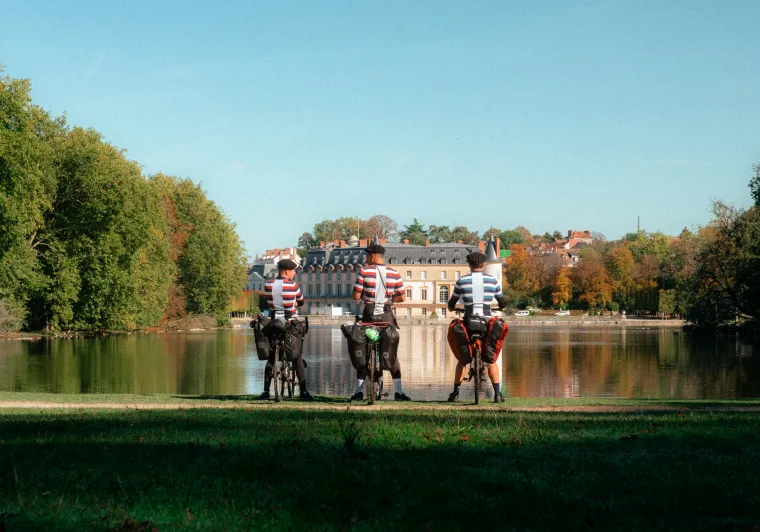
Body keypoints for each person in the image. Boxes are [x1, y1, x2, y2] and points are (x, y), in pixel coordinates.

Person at [350, 241, 411, 401]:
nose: (366, 258)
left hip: (369, 315)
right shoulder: (394, 272)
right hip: (386, 316)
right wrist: (390, 299)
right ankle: (399, 392)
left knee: (363, 349)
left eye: (367, 255)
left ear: (371, 255)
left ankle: (358, 392)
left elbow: (356, 296)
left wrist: (365, 296)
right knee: (392, 353)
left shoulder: (364, 271)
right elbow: (402, 297)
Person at [447, 251, 507, 403]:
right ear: (483, 264)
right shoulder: (492, 281)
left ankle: (455, 393)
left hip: (469, 321)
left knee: (462, 361)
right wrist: (500, 305)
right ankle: (498, 394)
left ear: (469, 265)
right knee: (491, 360)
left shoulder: (462, 281)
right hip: (486, 323)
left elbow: (452, 303)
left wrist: (453, 307)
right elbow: (502, 301)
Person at [259, 259, 313, 401]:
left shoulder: (268, 285)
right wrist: (293, 302)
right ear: (287, 271)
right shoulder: (293, 285)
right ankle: (303, 392)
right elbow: (300, 301)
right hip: (290, 324)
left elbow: (268, 301)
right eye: (293, 271)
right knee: (298, 357)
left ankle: (265, 391)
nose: (294, 273)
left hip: (275, 323)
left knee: (271, 357)